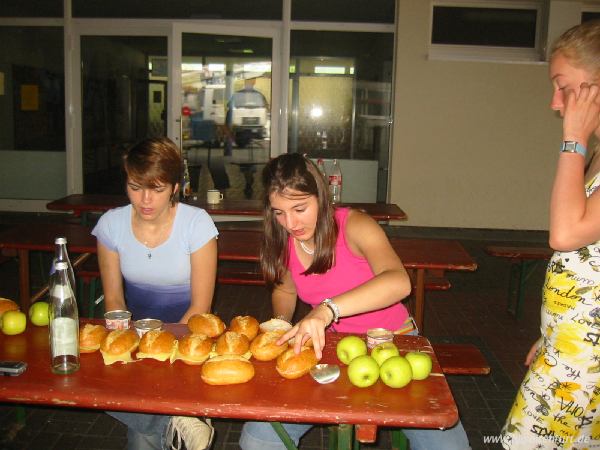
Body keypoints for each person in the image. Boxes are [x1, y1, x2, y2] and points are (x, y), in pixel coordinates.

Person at [239, 153, 471, 450]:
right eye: (279, 213)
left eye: (300, 208)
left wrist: (327, 309)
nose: (290, 223)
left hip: (391, 344)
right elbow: (285, 291)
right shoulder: (282, 240)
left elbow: (399, 281)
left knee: (449, 446)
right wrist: (281, 324)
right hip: (331, 348)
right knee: (258, 439)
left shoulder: (355, 225)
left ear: (321, 196)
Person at [501, 20, 600, 449]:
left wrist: (573, 140)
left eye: (562, 86)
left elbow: (565, 234)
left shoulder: (583, 148)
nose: (554, 102)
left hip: (587, 364)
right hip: (572, 349)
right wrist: (552, 331)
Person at [92, 136, 218, 450]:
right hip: (135, 334)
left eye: (157, 189)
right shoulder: (111, 225)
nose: (145, 200)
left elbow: (200, 309)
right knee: (90, 378)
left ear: (175, 187)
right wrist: (132, 344)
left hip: (187, 337)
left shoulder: (196, 224)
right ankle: (174, 421)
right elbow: (115, 302)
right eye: (135, 187)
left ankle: (163, 419)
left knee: (140, 430)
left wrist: (159, 350)